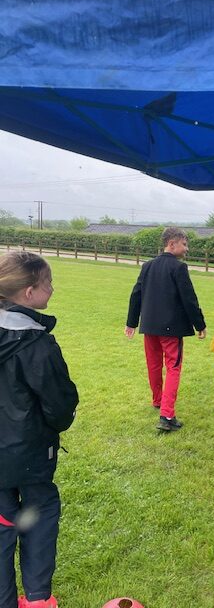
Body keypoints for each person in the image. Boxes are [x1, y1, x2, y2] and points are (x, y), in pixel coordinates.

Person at [0, 251, 78, 608]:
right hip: (30, 456)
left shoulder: (35, 341)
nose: (53, 289)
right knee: (39, 513)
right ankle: (37, 599)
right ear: (29, 293)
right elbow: (60, 404)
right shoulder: (37, 345)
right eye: (48, 283)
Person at [125, 227, 206, 431]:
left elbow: (136, 295)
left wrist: (131, 323)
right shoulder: (179, 268)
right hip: (171, 330)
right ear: (172, 244)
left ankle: (158, 400)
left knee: (153, 365)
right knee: (173, 367)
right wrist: (200, 324)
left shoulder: (148, 266)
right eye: (184, 244)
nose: (186, 249)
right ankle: (167, 416)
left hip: (150, 327)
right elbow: (189, 299)